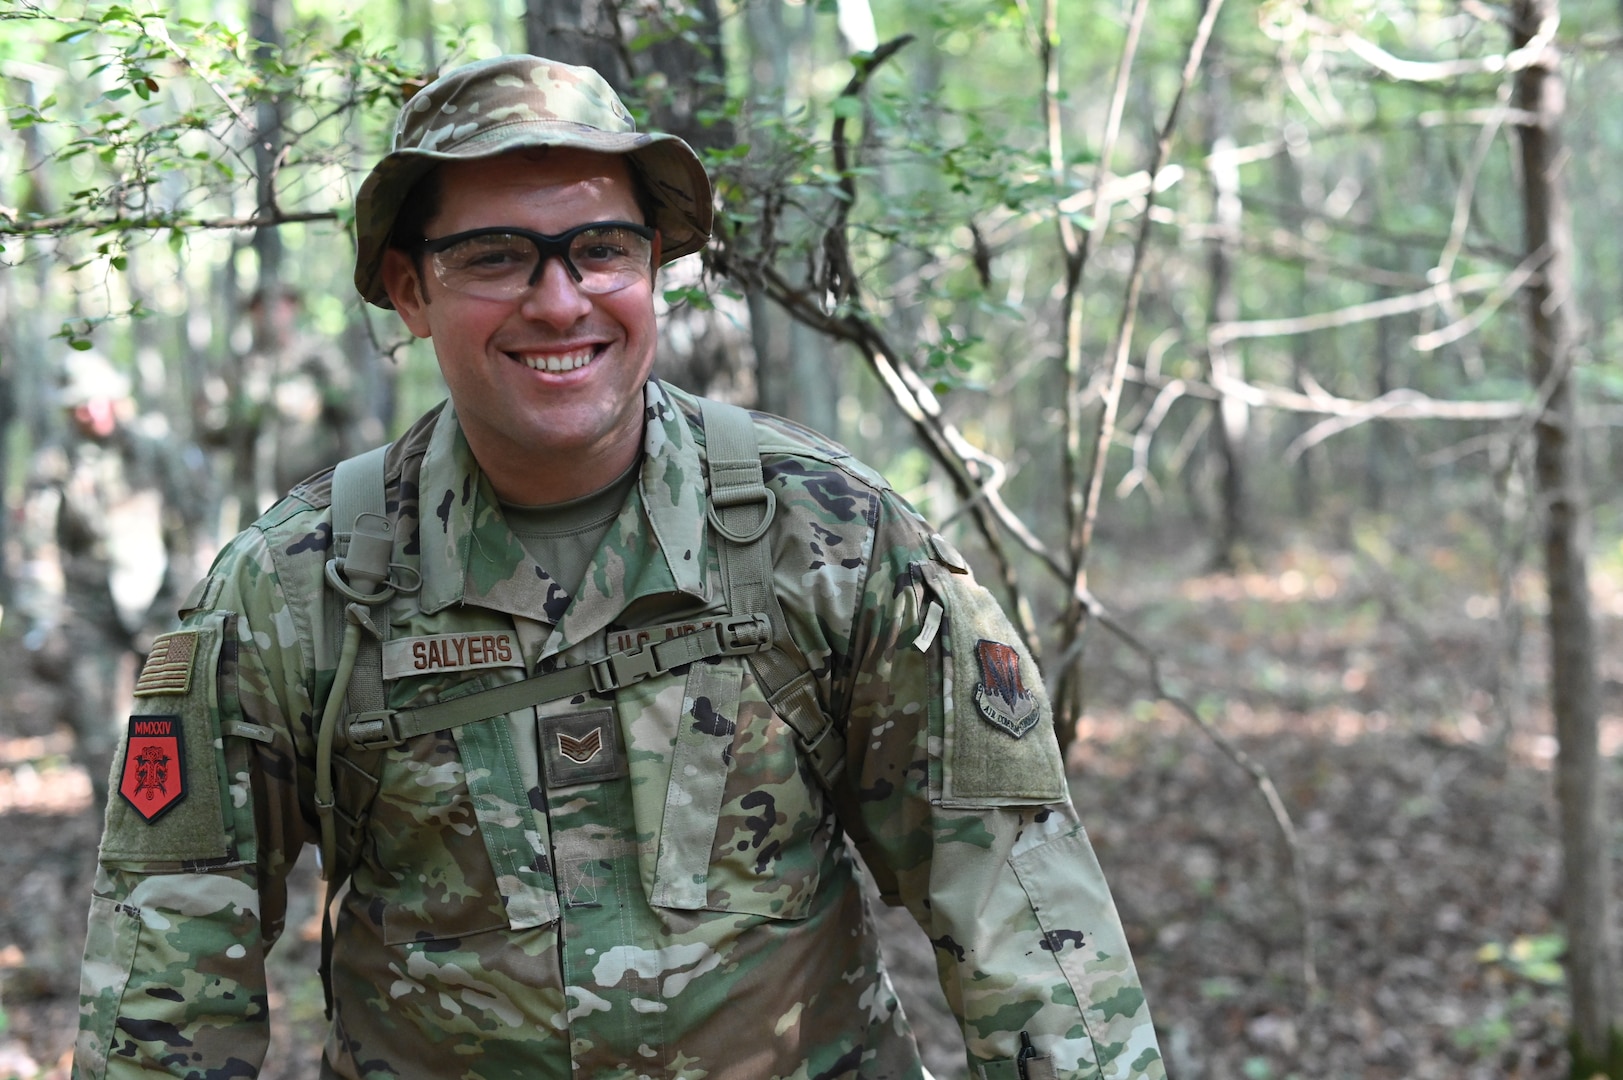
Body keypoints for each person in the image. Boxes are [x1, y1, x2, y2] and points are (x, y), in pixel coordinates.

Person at [74, 55, 1164, 1080]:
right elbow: (162, 982)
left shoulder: (829, 536)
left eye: (601, 248)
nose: (560, 302)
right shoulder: (299, 586)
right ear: (410, 291)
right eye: (496, 257)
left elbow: (1030, 919)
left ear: (654, 266)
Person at [17, 351, 210, 811]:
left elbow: (190, 529)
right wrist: (42, 621)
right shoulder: (54, 463)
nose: (94, 410)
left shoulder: (155, 449)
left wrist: (188, 603)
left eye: (101, 399)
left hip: (161, 606)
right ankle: (115, 831)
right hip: (89, 612)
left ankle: (169, 827)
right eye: (82, 403)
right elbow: (35, 546)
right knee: (100, 727)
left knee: (169, 720)